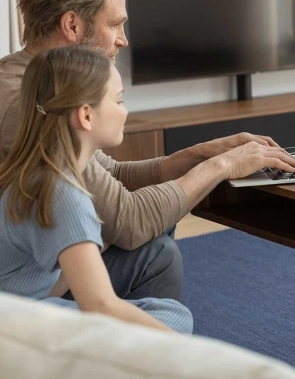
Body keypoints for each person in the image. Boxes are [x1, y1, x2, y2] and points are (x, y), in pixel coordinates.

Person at [0, 0, 295, 304]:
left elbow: (107, 175)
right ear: (72, 25)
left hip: (42, 267)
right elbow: (129, 221)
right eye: (114, 25)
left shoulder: (32, 80)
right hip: (24, 293)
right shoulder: (29, 104)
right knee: (156, 252)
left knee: (160, 215)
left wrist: (193, 157)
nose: (123, 40)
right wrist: (222, 167)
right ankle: (142, 351)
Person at [0, 46, 198, 332]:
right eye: (118, 101)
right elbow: (100, 305)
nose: (125, 111)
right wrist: (191, 351)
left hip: (21, 305)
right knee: (176, 319)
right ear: (86, 116)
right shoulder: (63, 192)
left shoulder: (34, 170)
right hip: (20, 326)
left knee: (167, 310)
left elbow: (33, 281)